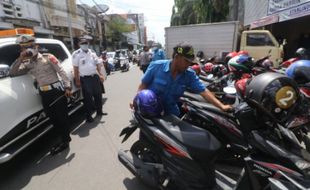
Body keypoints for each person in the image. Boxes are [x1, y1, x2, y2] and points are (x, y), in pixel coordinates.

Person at [10, 35, 72, 155]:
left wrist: (68, 87)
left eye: (30, 46)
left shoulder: (48, 57)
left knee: (62, 118)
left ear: (36, 47)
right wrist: (20, 58)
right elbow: (13, 73)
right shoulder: (27, 63)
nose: (27, 50)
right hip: (44, 94)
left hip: (56, 92)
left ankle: (65, 141)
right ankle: (63, 138)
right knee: (53, 118)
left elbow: (61, 71)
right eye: (24, 48)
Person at [132, 43, 232, 116]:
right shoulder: (156, 66)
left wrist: (221, 106)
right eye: (186, 61)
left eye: (190, 62)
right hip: (150, 110)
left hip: (171, 113)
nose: (188, 65)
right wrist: (136, 101)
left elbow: (204, 91)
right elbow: (143, 85)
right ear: (176, 56)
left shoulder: (189, 74)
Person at [72, 38, 107, 123]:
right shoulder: (76, 54)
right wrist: (77, 80)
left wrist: (101, 74)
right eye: (83, 43)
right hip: (85, 78)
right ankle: (89, 116)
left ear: (88, 44)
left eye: (86, 43)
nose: (85, 45)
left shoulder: (92, 52)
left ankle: (99, 111)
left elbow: (98, 64)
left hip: (94, 77)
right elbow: (75, 68)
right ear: (79, 44)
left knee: (98, 95)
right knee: (88, 98)